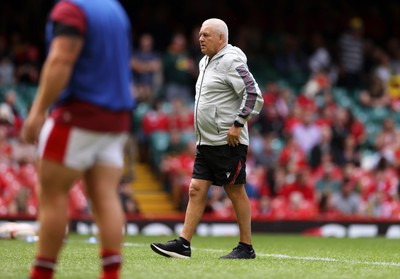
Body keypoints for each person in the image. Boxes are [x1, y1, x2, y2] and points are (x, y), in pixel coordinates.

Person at [21, 1, 134, 278]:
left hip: (78, 114)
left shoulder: (71, 9)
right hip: (117, 118)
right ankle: (111, 274)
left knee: (52, 194)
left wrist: (37, 112)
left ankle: (42, 272)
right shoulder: (115, 10)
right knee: (106, 195)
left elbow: (61, 59)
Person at [150, 18, 264, 259]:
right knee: (195, 189)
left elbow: (253, 93)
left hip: (228, 141)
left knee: (234, 191)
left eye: (206, 35)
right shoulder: (204, 62)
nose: (200, 39)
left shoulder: (232, 61)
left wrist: (238, 124)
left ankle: (246, 247)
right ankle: (183, 244)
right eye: (200, 34)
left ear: (221, 38)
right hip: (207, 142)